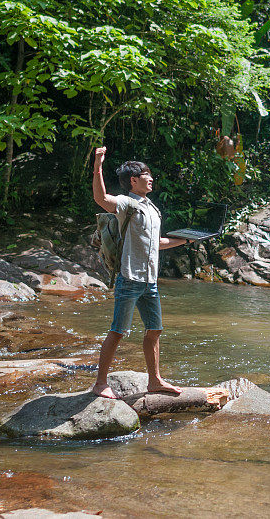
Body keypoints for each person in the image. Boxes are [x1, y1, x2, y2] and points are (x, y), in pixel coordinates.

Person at [90, 146, 190, 399]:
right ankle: (101, 383)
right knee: (118, 331)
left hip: (150, 281)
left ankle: (154, 381)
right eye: (147, 174)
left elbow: (157, 243)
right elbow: (102, 199)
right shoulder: (127, 203)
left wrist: (186, 240)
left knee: (154, 330)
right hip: (129, 278)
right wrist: (98, 165)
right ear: (133, 180)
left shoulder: (152, 208)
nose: (151, 178)